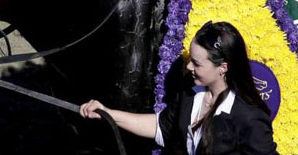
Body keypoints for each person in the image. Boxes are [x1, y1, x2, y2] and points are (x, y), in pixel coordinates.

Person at [80, 21, 279, 155]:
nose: (189, 67)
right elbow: (162, 127)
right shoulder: (190, 92)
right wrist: (106, 113)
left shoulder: (249, 118)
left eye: (197, 63)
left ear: (222, 68)